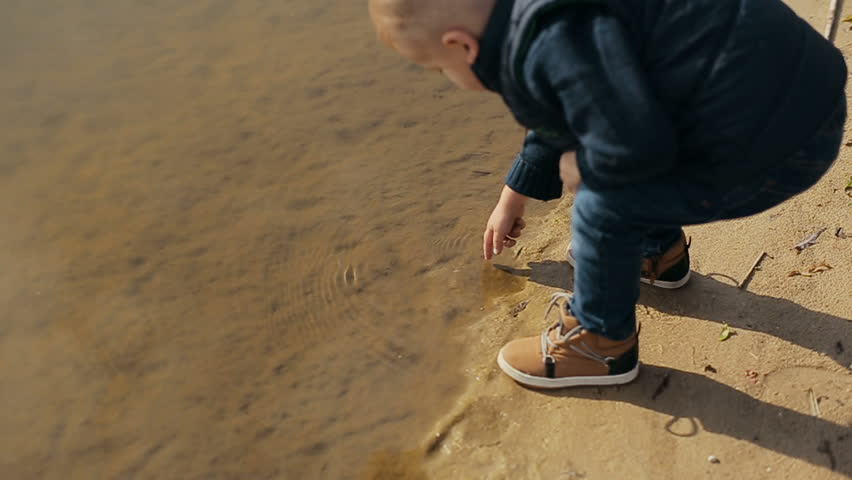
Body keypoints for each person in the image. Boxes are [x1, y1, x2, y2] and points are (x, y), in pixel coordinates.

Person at [368, 0, 847, 388]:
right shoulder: (544, 18)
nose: (446, 78)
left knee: (600, 197)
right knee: (611, 137)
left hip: (781, 148)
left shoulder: (545, 46)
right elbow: (565, 110)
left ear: (460, 45)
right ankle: (656, 254)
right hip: (806, 89)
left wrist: (587, 172)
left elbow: (633, 146)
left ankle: (599, 343)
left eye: (439, 69)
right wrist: (514, 194)